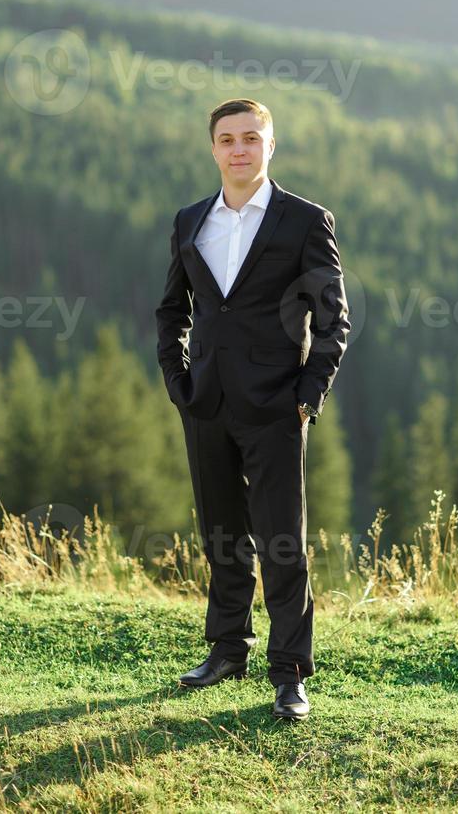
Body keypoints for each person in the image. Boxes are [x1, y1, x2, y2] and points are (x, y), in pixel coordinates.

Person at [155, 98, 350, 720]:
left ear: (271, 145)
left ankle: (289, 674)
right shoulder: (189, 220)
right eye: (227, 139)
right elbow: (171, 311)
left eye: (250, 138)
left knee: (281, 542)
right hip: (205, 404)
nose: (239, 149)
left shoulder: (305, 221)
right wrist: (178, 383)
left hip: (276, 408)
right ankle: (226, 650)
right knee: (222, 535)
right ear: (212, 148)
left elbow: (333, 320)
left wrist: (306, 399)